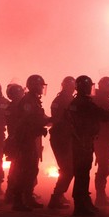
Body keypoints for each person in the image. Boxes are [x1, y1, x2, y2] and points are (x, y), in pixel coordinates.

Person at [68, 75, 109, 216]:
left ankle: (84, 202)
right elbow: (104, 116)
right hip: (84, 141)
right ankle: (81, 205)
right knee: (82, 174)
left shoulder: (75, 102)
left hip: (80, 140)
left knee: (82, 174)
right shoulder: (85, 103)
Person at [11, 74, 50, 211]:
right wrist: (46, 122)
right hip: (26, 140)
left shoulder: (33, 100)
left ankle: (27, 198)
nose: (41, 88)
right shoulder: (28, 101)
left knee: (32, 170)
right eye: (40, 85)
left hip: (30, 139)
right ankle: (18, 201)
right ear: (34, 86)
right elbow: (31, 120)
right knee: (26, 170)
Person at [47, 76, 75, 209]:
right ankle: (56, 197)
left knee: (67, 168)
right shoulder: (68, 101)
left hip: (61, 137)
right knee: (68, 169)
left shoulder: (60, 99)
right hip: (62, 138)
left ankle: (59, 195)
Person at [92, 77, 109, 206]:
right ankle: (100, 196)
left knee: (104, 166)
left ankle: (100, 195)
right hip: (103, 139)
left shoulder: (97, 99)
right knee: (104, 167)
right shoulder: (104, 102)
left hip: (101, 138)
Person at [3, 83, 25, 203]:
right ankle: (15, 193)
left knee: (15, 167)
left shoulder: (10, 107)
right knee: (18, 167)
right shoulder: (17, 107)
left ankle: (10, 193)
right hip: (19, 140)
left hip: (14, 140)